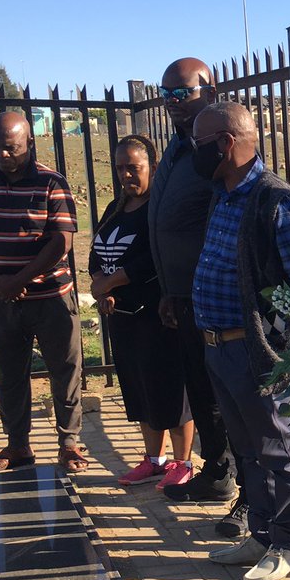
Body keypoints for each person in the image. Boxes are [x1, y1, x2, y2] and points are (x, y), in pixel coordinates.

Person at [195, 101, 290, 580]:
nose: (194, 153)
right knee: (247, 447)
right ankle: (261, 533)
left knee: (278, 447)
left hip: (257, 353)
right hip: (218, 348)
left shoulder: (275, 200)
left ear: (227, 143)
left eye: (200, 143)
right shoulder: (223, 193)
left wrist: (281, 344)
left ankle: (289, 543)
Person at [148, 58, 244, 537]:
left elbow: (218, 226)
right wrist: (168, 289)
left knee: (232, 398)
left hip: (216, 300)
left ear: (210, 91)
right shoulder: (176, 147)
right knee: (202, 392)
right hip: (182, 294)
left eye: (180, 93)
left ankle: (247, 488)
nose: (170, 103)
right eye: (164, 94)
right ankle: (217, 471)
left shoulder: (216, 150)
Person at [0, 111, 88, 474]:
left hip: (50, 297)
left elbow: (61, 241)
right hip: (2, 298)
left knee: (65, 371)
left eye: (11, 148)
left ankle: (69, 443)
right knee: (9, 375)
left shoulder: (52, 182)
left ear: (30, 143)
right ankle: (18, 446)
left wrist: (22, 279)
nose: (3, 155)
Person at [89, 134, 194, 492]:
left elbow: (152, 258)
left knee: (171, 391)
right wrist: (100, 286)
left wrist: (112, 282)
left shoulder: (158, 210)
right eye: (120, 168)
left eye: (133, 167)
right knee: (140, 391)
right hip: (123, 318)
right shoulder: (114, 209)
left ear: (152, 166)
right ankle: (154, 461)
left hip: (157, 316)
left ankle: (183, 462)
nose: (126, 175)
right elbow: (96, 253)